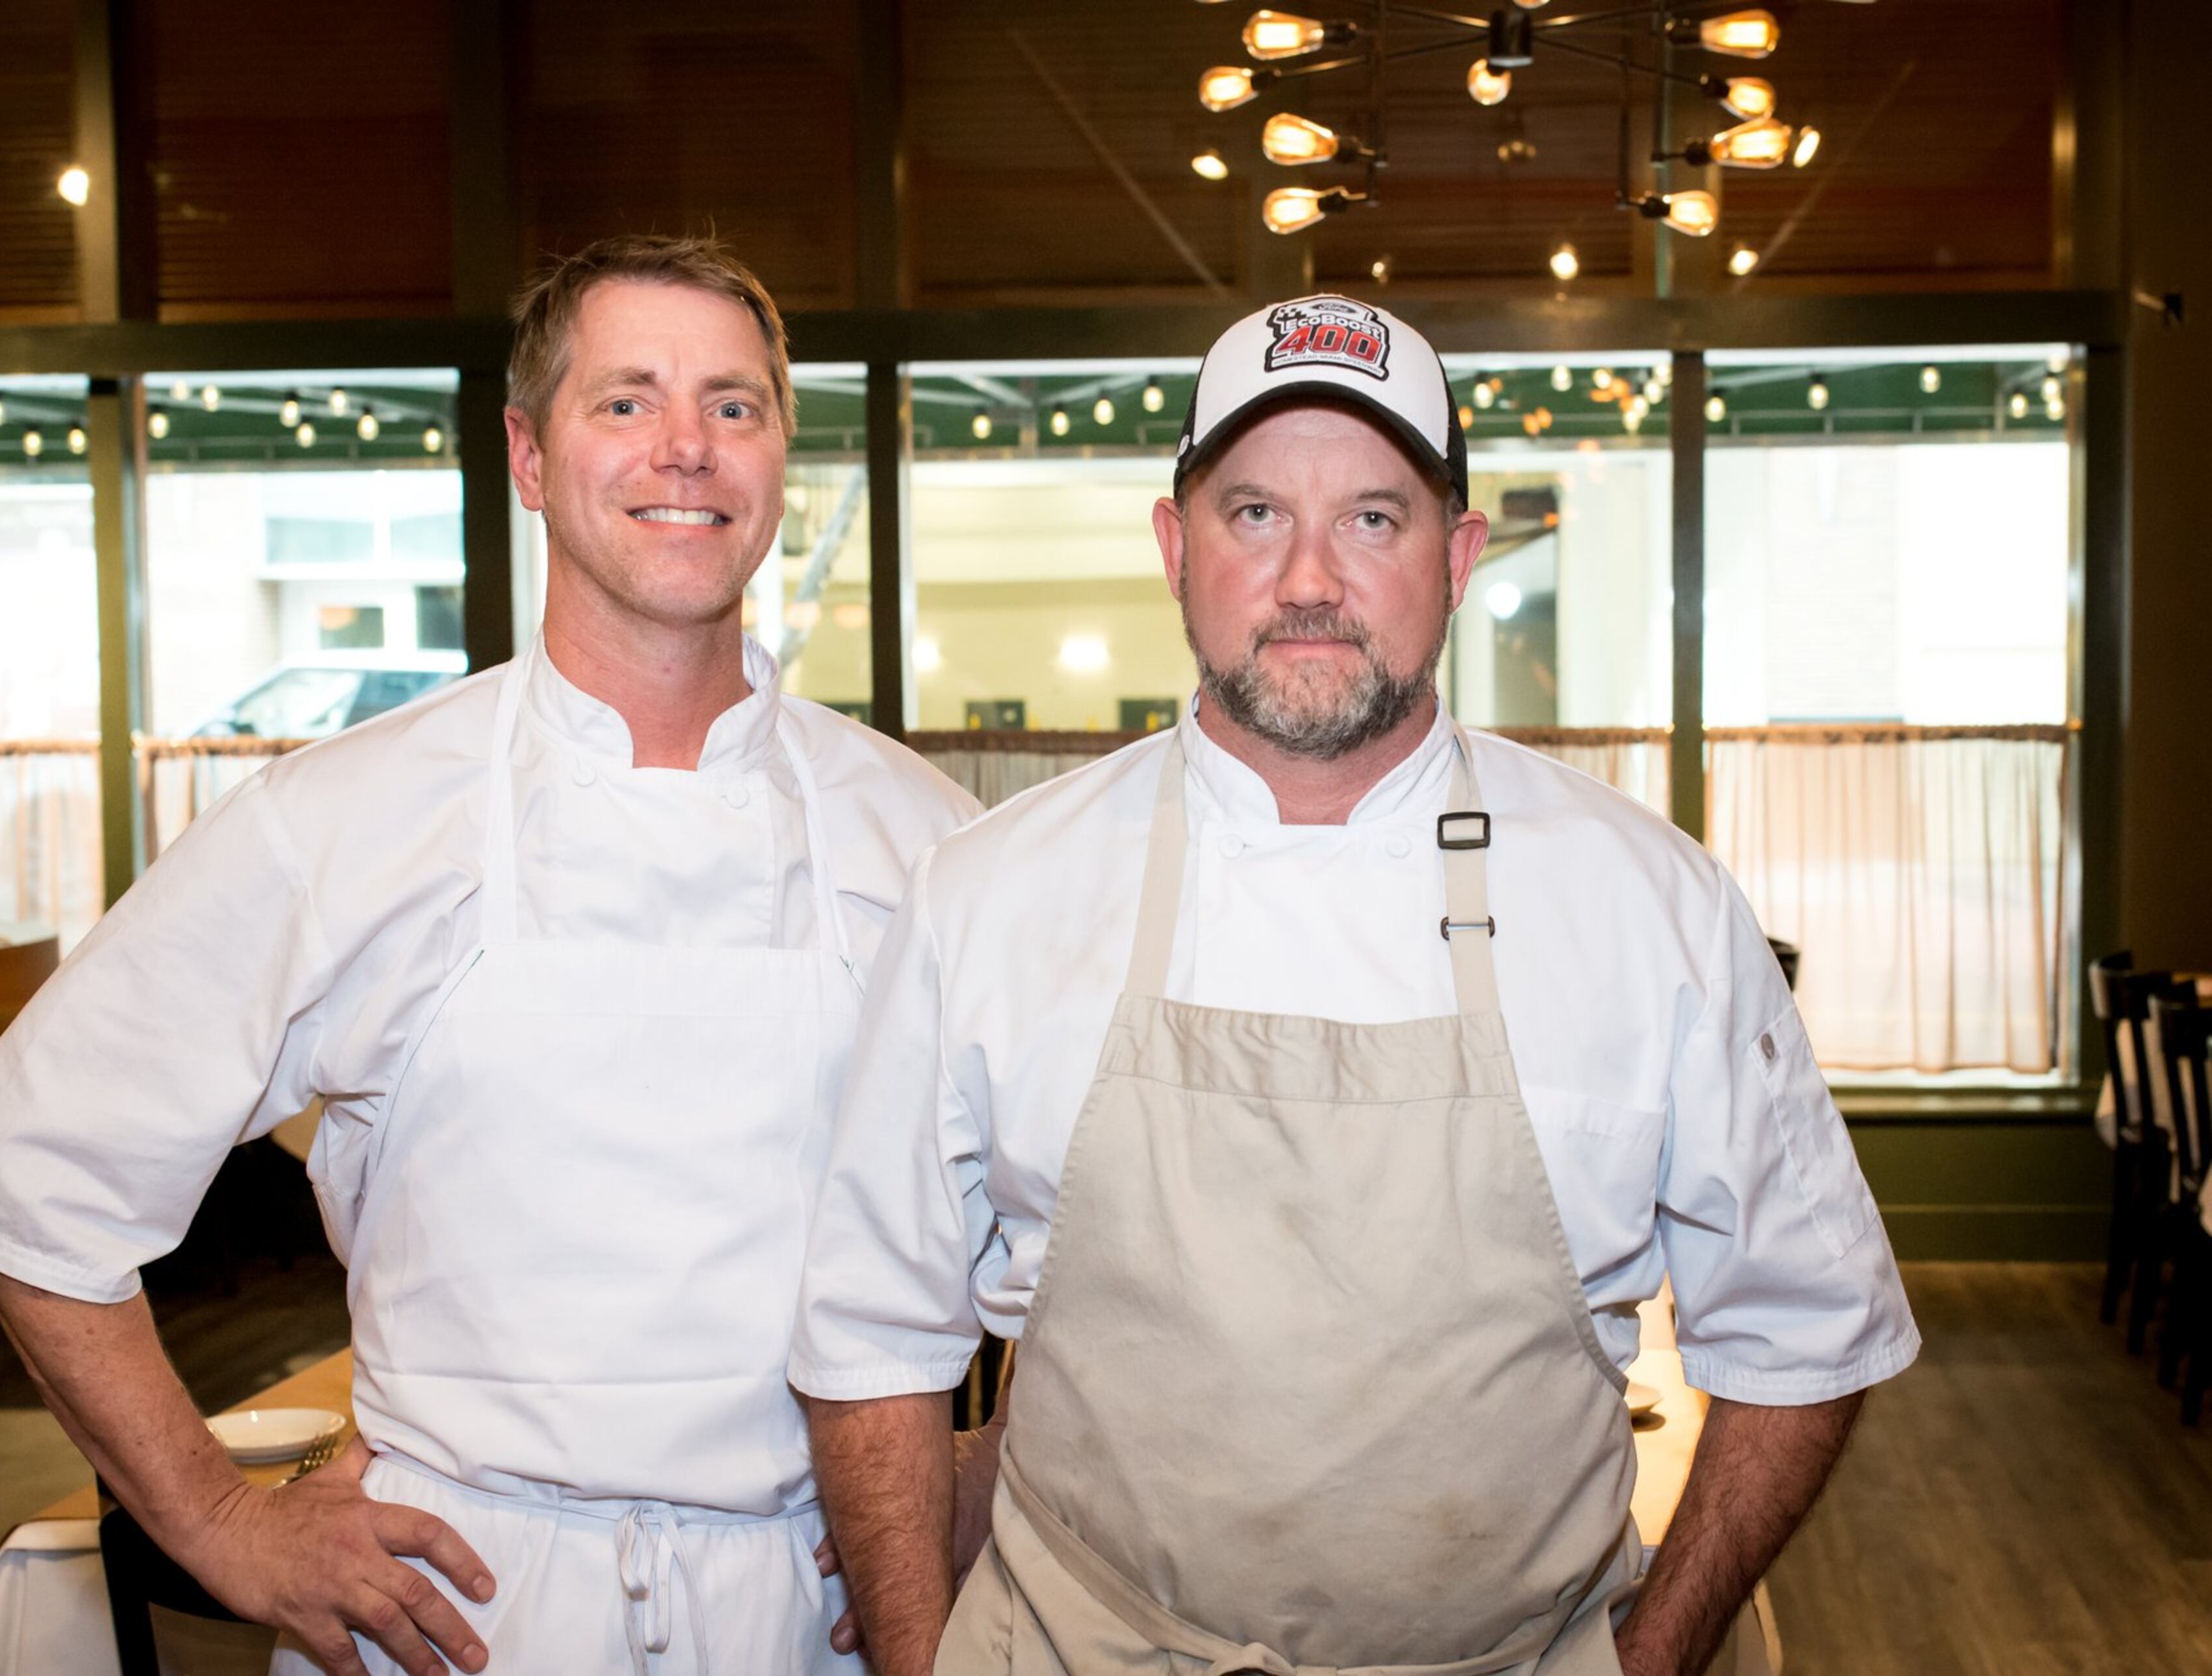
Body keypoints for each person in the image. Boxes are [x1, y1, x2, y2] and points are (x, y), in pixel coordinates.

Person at [0, 233, 977, 1676]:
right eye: (626, 400)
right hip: (463, 1607)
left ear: (782, 451)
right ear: (529, 455)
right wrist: (218, 1517)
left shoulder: (926, 840)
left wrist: (971, 1483)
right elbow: (32, 1180)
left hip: (809, 1606)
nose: (686, 449)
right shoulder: (349, 813)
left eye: (733, 405)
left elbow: (1088, 1246)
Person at [789, 294, 1920, 1676]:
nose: (1310, 578)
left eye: (1373, 520)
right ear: (1175, 547)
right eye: (1255, 513)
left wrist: (1662, 1648)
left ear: (1457, 557)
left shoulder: (1650, 903)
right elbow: (871, 1337)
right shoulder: (991, 894)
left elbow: (1808, 1329)